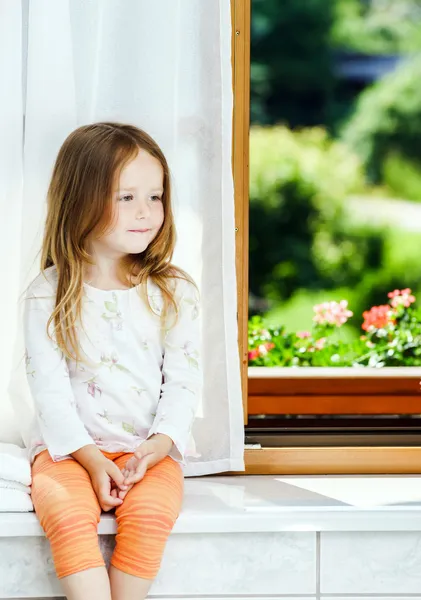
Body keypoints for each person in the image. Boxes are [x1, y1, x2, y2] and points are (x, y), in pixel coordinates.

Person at [23, 122, 202, 600]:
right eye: (126, 198)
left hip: (148, 452)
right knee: (65, 514)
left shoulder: (173, 292)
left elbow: (184, 382)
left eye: (156, 196)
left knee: (150, 516)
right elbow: (50, 393)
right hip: (69, 451)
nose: (146, 212)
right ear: (80, 198)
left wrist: (161, 445)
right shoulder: (47, 294)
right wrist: (89, 457)